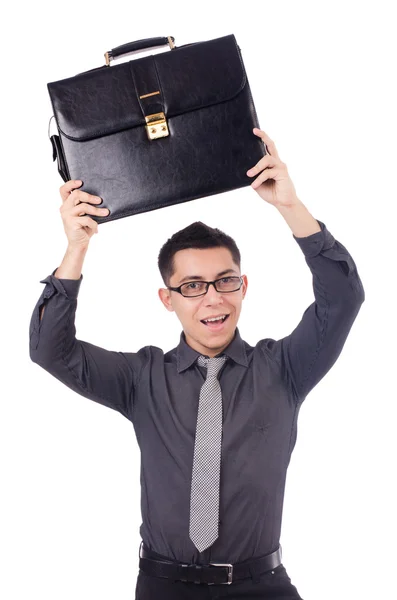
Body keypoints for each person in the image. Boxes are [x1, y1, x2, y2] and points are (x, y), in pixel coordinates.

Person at [29, 127, 365, 599]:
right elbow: (50, 350)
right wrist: (76, 247)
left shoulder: (286, 368)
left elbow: (344, 297)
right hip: (163, 586)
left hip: (261, 586)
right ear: (168, 299)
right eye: (192, 286)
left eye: (225, 281)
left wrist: (290, 206)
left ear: (243, 287)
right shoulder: (141, 379)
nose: (212, 298)